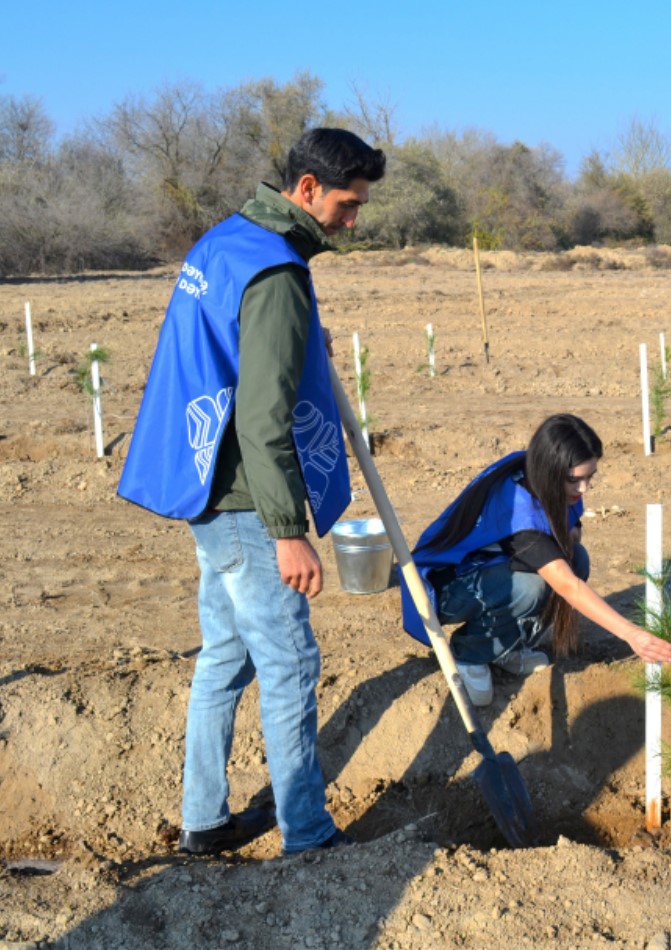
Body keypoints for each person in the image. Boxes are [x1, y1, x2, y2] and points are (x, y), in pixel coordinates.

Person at [118, 128, 386, 855]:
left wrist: (298, 343)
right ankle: (308, 833)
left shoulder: (227, 240)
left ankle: (203, 821)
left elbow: (230, 347)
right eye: (347, 204)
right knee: (289, 662)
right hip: (245, 500)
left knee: (226, 656)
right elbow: (263, 419)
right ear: (307, 190)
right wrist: (288, 532)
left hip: (204, 486)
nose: (352, 221)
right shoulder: (277, 274)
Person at [402, 413, 671, 705]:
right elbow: (568, 586)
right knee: (530, 587)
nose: (584, 489)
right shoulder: (519, 515)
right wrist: (631, 634)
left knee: (577, 559)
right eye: (575, 480)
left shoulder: (542, 474)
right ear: (551, 470)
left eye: (590, 477)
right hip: (443, 588)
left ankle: (507, 645)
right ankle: (469, 653)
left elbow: (571, 529)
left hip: (489, 568)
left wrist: (569, 532)